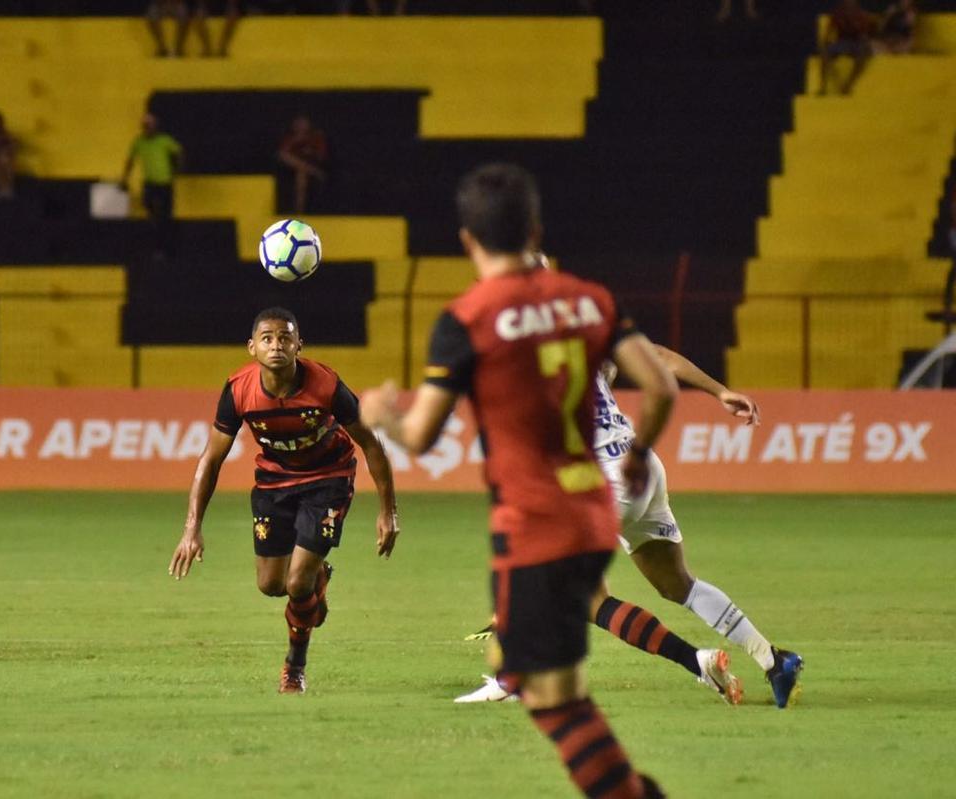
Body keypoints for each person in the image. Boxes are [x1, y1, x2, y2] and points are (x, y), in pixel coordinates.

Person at [361, 163, 670, 799]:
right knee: (559, 687)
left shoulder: (468, 319)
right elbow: (660, 386)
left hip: (534, 526)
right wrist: (638, 453)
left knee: (548, 697)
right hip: (596, 513)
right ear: (534, 228)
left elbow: (419, 437)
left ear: (467, 240)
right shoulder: (591, 298)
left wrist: (381, 414)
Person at [459, 318, 803, 709]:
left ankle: (511, 680)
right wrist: (720, 391)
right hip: (639, 466)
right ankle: (772, 660)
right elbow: (657, 358)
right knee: (673, 585)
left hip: (607, 482)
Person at [168, 307, 399, 694]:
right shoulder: (239, 390)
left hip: (328, 480)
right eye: (268, 338)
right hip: (274, 484)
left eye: (285, 338)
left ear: (298, 345)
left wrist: (388, 511)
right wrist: (192, 528)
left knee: (296, 583)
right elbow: (210, 460)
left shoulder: (326, 385)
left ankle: (295, 665)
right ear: (252, 347)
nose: (277, 345)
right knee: (271, 585)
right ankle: (317, 578)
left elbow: (371, 444)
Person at [121, 113, 183, 251]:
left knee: (167, 215)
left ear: (156, 127)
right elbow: (130, 161)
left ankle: (167, 244)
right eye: (144, 126)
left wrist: (177, 169)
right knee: (148, 205)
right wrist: (124, 178)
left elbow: (178, 151)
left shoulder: (164, 140)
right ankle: (157, 228)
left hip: (165, 182)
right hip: (150, 183)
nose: (147, 128)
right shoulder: (138, 142)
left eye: (149, 125)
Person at [819, 0, 878, 96]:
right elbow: (828, 34)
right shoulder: (837, 14)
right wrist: (826, 45)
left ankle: (848, 85)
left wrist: (857, 26)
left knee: (862, 54)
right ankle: (823, 87)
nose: (849, 3)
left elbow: (866, 36)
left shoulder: (862, 15)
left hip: (857, 43)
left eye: (851, 2)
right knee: (826, 52)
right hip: (842, 42)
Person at [277, 114, 327, 215]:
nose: (300, 125)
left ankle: (299, 211)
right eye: (298, 123)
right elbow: (282, 154)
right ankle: (299, 211)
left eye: (303, 122)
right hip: (292, 170)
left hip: (313, 166)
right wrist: (296, 140)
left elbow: (321, 156)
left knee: (301, 174)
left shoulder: (316, 137)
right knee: (299, 171)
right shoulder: (289, 138)